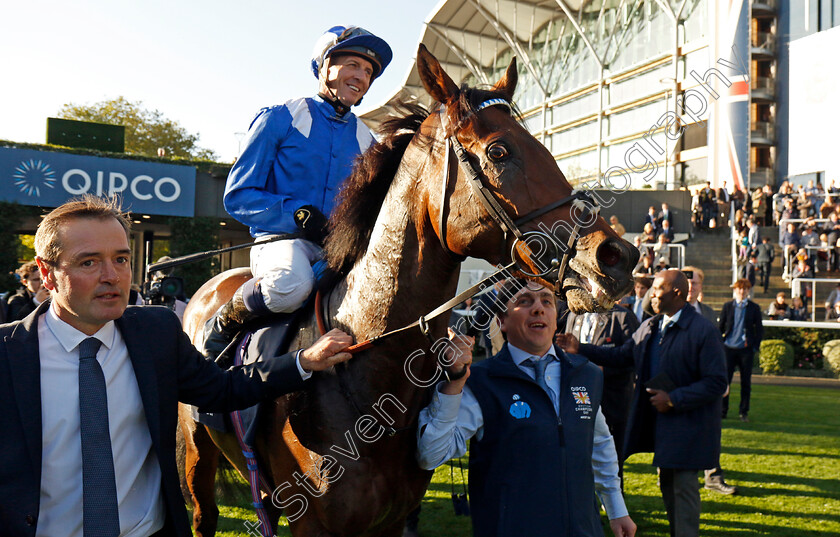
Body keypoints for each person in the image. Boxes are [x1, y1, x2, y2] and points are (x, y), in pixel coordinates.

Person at [0, 196, 354, 537]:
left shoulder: (156, 332)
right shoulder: (7, 353)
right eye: (89, 262)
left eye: (121, 259)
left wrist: (303, 361)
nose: (112, 276)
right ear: (47, 274)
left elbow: (221, 390)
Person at [205, 25, 393, 362]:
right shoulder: (279, 117)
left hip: (337, 251)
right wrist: (298, 214)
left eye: (367, 72)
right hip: (278, 242)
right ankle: (224, 320)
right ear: (324, 66)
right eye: (352, 64)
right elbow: (238, 195)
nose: (361, 77)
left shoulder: (369, 142)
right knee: (291, 285)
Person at [417, 279, 637, 537]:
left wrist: (617, 509)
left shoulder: (585, 374)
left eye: (547, 301)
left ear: (556, 318)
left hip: (582, 528)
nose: (538, 308)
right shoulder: (481, 382)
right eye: (524, 302)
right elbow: (430, 455)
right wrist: (453, 385)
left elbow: (599, 443)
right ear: (502, 322)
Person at [557, 270, 727, 537]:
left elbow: (717, 382)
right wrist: (581, 349)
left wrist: (674, 398)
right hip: (663, 426)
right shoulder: (652, 326)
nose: (652, 294)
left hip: (689, 428)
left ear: (677, 294)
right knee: (668, 486)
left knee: (682, 491)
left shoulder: (703, 330)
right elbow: (623, 356)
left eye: (658, 289)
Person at [564, 304, 640, 489]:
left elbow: (632, 358)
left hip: (612, 402)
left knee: (612, 460)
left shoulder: (622, 317)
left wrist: (602, 371)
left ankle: (616, 509)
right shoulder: (575, 315)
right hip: (580, 402)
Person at [681, 266, 737, 495]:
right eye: (687, 283)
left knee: (710, 430)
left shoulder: (709, 313)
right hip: (678, 384)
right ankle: (669, 473)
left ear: (701, 287)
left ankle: (713, 476)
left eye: (695, 284)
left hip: (705, 385)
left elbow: (717, 351)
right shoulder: (666, 311)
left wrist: (722, 380)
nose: (691, 288)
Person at [719, 279, 763, 423]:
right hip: (728, 349)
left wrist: (754, 346)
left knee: (746, 383)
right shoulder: (728, 306)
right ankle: (722, 411)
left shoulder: (754, 308)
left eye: (745, 289)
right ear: (735, 290)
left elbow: (759, 329)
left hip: (745, 350)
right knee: (725, 382)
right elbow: (721, 326)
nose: (742, 292)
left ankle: (743, 412)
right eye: (739, 289)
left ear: (748, 291)